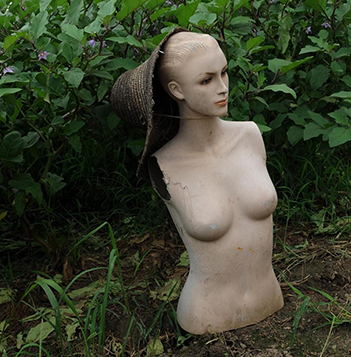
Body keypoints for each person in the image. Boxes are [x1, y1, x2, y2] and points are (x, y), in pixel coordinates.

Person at [111, 29, 283, 334]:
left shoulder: (250, 136)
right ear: (177, 90)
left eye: (224, 73)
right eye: (206, 80)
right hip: (207, 315)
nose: (222, 88)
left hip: (271, 298)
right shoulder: (164, 165)